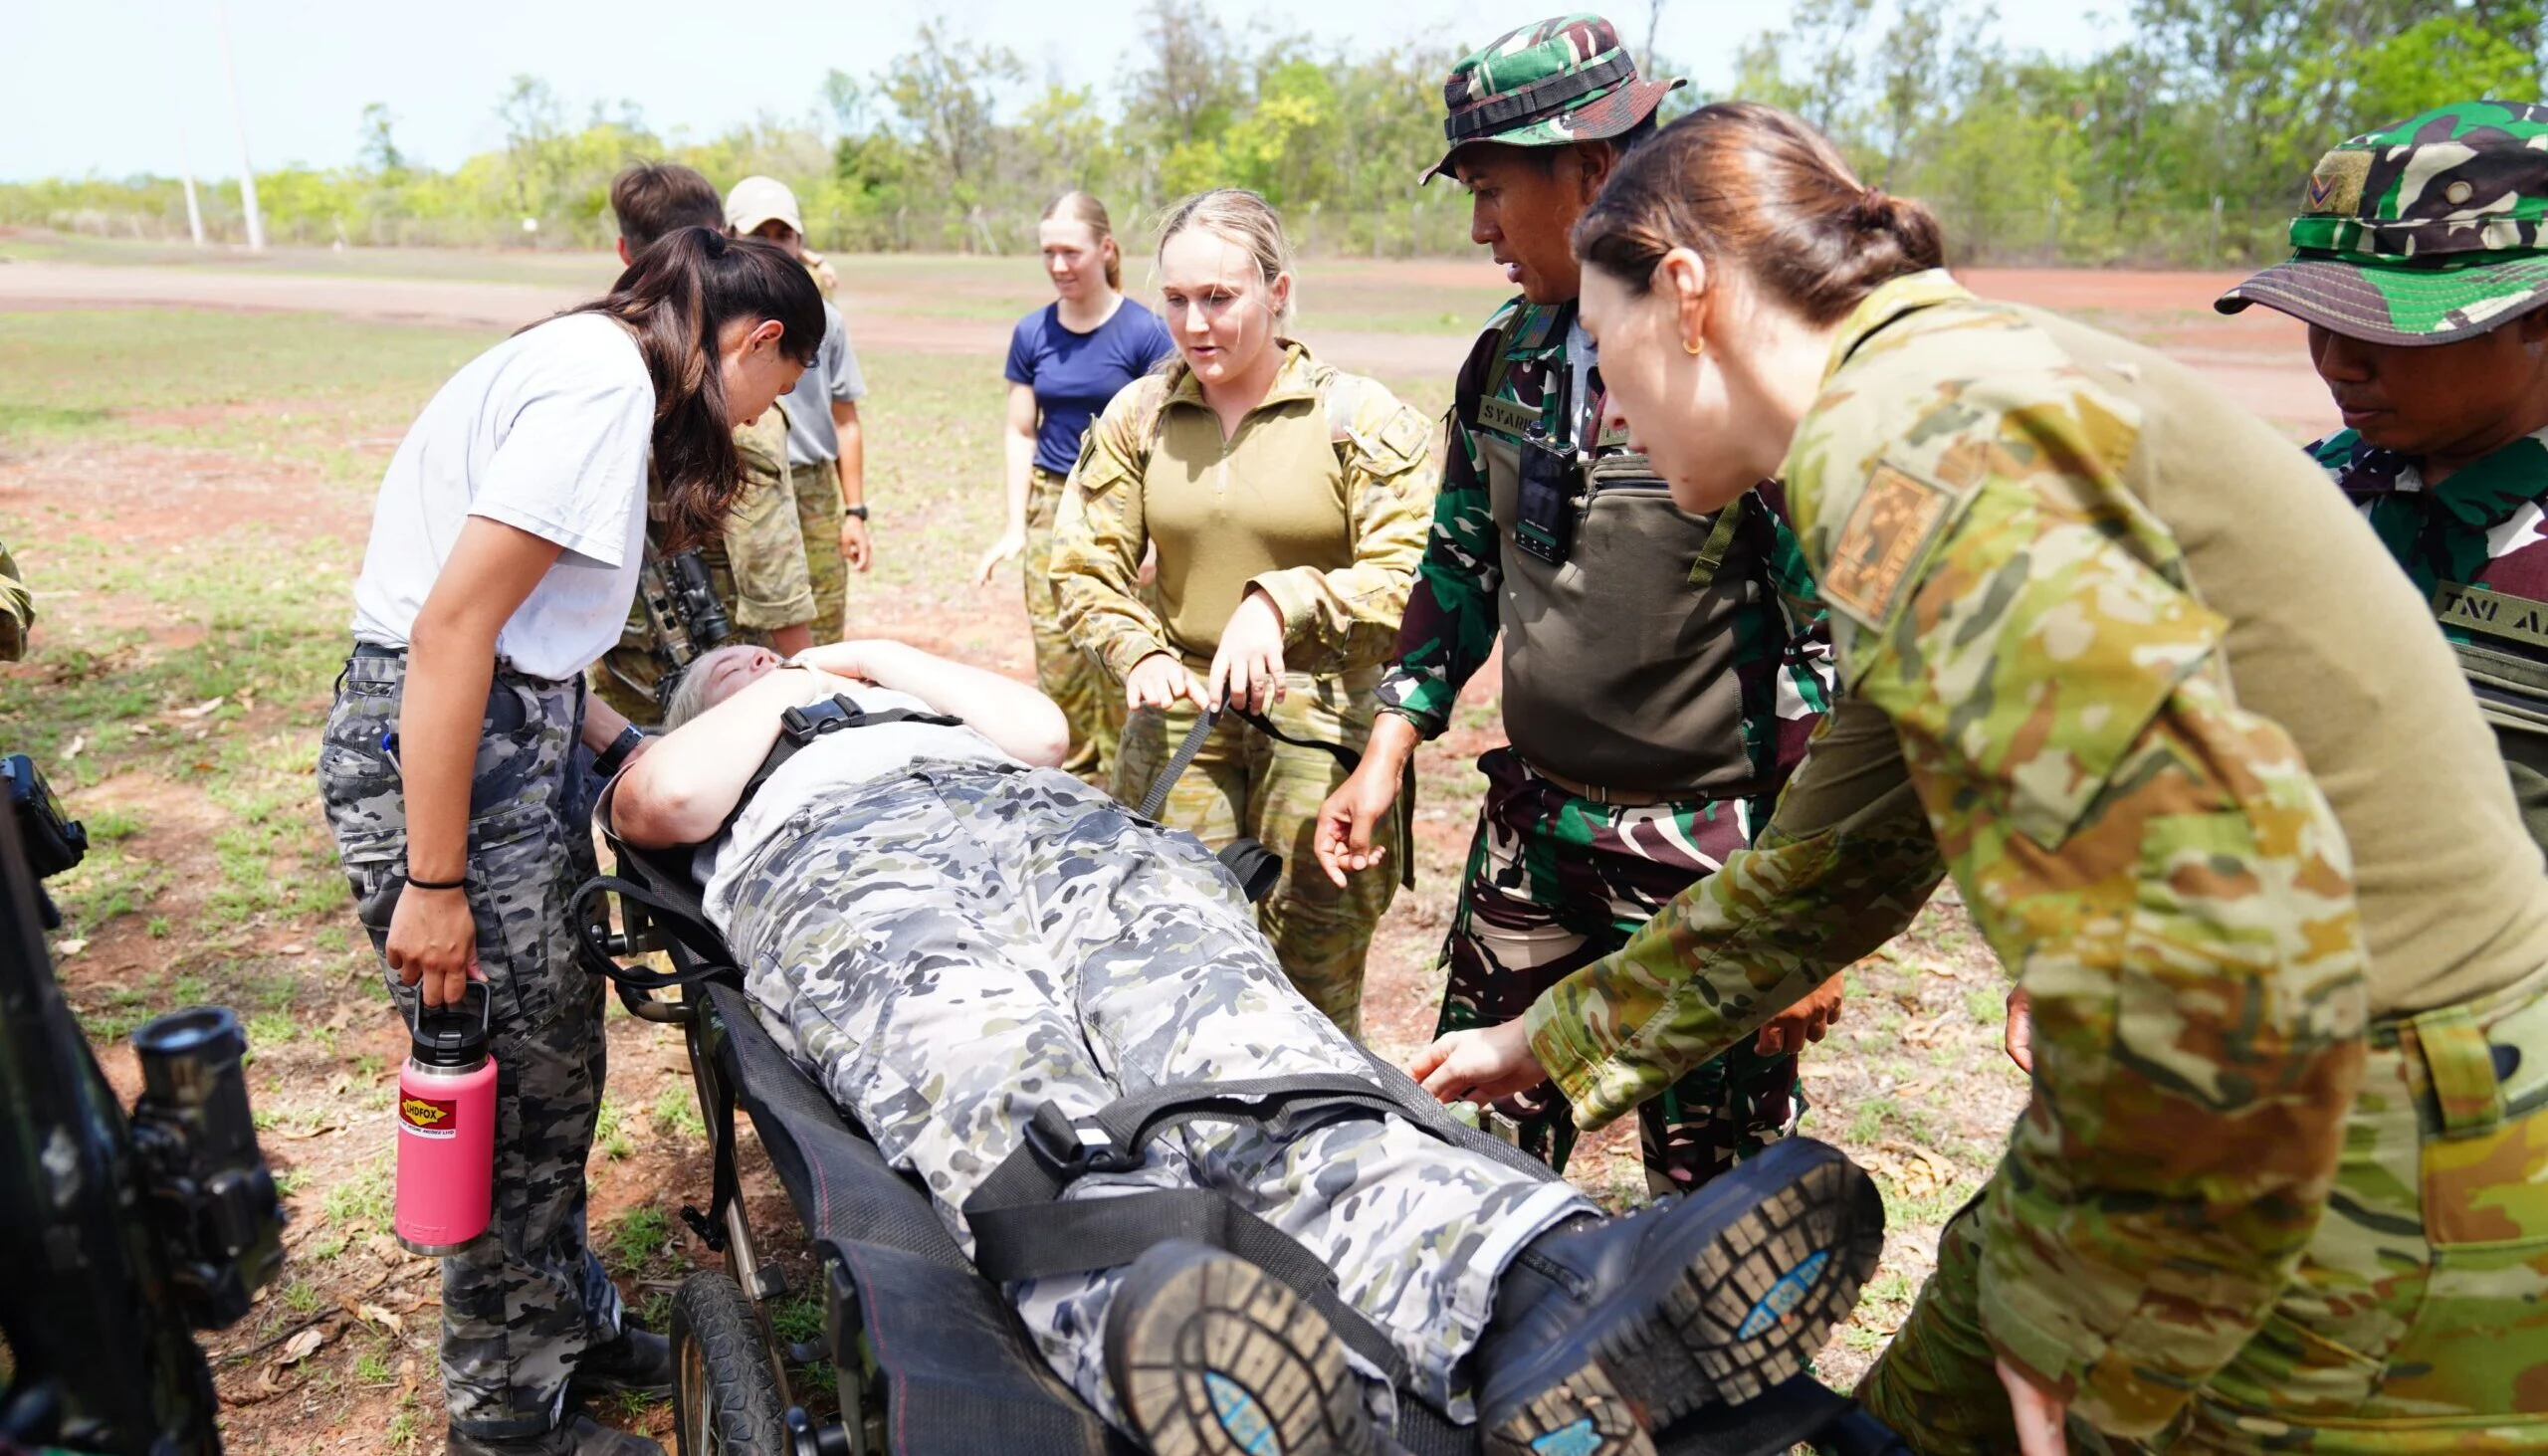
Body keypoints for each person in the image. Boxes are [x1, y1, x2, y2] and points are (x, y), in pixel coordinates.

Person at [1414, 102, 2548, 1453]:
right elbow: (1835, 860)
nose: (1609, 409)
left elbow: (2207, 924)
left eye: (1608, 351)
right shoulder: (1925, 399)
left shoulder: (1916, 444)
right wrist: (1550, 1034)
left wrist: (2076, 1302)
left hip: (2376, 1153)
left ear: (1688, 295)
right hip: (2236, 1101)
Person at [613, 637, 1880, 1456]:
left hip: (1054, 830)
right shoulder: (720, 749)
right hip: (847, 869)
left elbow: (1043, 734)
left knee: (1251, 1052)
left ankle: (1544, 1290)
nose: (766, 662)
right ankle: (1202, 1347)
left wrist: (870, 658)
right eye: (735, 667)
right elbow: (662, 800)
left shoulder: (906, 697)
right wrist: (777, 684)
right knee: (1005, 1083)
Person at [1312, 14, 1837, 1196]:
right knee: (1467, 1162)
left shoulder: (1746, 371)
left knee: (1715, 1202)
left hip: (1707, 858)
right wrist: (1386, 748)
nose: (1479, 227)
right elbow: (1459, 564)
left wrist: (1806, 913)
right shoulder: (1507, 357)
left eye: (1492, 189)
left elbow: (1830, 652)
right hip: (1534, 830)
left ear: (1592, 172)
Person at [318, 230, 824, 1456]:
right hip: (451, 769)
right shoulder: (602, 388)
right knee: (507, 1081)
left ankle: (566, 1324)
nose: (764, 414)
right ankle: (507, 1414)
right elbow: (450, 634)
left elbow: (523, 643)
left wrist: (615, 744)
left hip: (500, 740)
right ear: (759, 340)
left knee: (555, 1067)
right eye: (779, 386)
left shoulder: (596, 365)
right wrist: (435, 880)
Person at [1048, 189, 1437, 1039]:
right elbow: (1081, 565)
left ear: (1277, 290)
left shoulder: (1359, 420)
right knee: (1176, 967)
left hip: (1325, 724)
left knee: (1312, 989)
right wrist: (1140, 652)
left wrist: (1281, 601)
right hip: (1182, 717)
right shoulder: (1140, 415)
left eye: (1220, 297)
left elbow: (1410, 580)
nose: (1196, 323)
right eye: (1177, 299)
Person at [2218, 100, 2548, 857]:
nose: (2338, 363)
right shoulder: (2305, 494)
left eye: (2389, 322)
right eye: (2323, 316)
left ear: (2537, 314)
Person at [589, 162, 816, 725]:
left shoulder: (611, 360)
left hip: (611, 672)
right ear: (719, 243)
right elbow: (770, 570)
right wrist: (809, 682)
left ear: (624, 249)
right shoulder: (734, 388)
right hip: (726, 679)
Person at [973, 191, 1176, 778]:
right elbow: (1021, 431)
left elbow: (1166, 440)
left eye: (1071, 252)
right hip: (1050, 503)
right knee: (1058, 653)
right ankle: (1074, 784)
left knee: (1120, 652)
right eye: (1048, 253)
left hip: (1123, 505)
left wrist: (1157, 540)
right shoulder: (1031, 333)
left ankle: (1127, 785)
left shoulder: (1146, 333)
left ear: (1106, 249)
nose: (1058, 265)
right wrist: (1016, 526)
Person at [727, 175, 871, 642]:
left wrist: (855, 512)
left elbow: (846, 421)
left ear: (800, 242)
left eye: (783, 234)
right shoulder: (717, 319)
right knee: (744, 630)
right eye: (759, 234)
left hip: (812, 487)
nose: (773, 245)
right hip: (742, 481)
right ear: (729, 236)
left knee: (821, 628)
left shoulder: (827, 322)